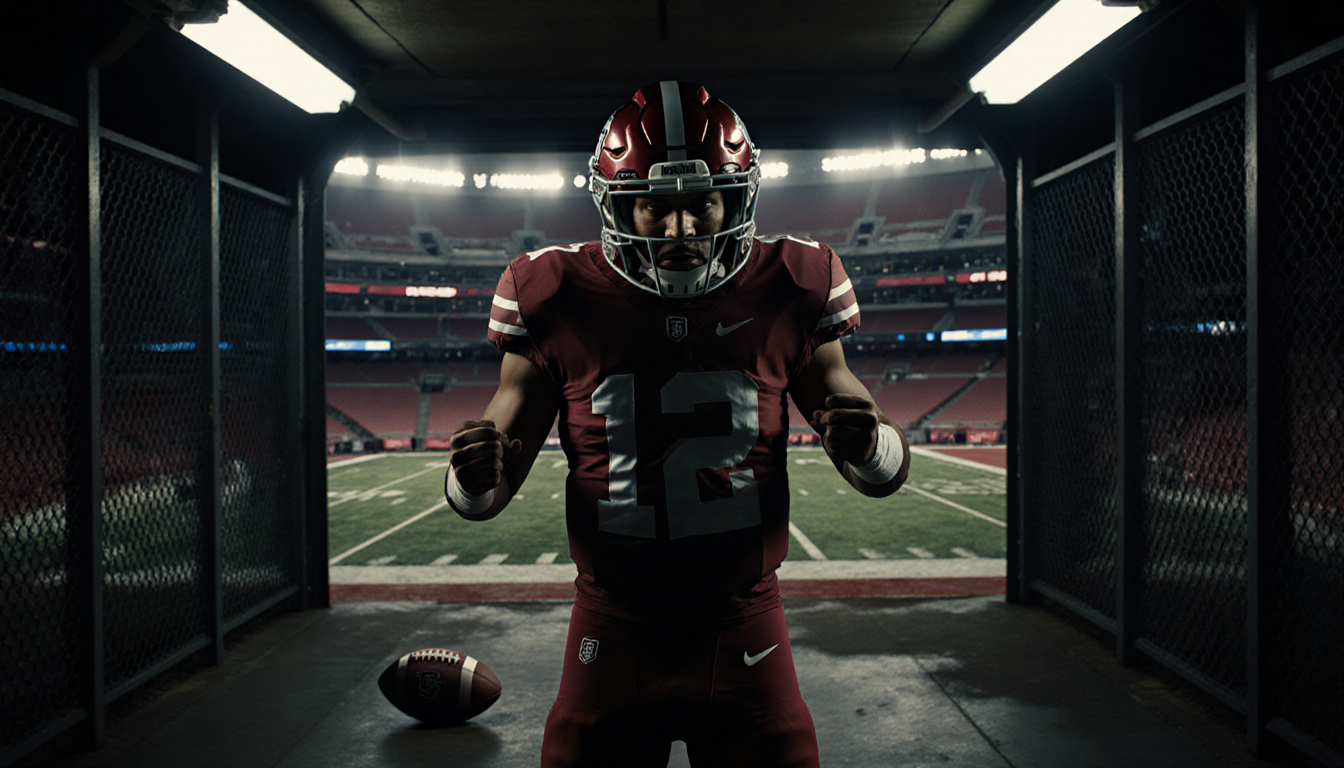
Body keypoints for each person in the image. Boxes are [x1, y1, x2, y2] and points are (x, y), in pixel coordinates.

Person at [444, 81, 909, 768]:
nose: (681, 229)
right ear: (614, 207)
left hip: (745, 623)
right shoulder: (553, 293)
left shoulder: (794, 283)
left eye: (702, 203)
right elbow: (483, 495)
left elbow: (882, 472)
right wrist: (472, 475)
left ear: (739, 197)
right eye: (654, 208)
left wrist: (869, 447)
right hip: (611, 625)